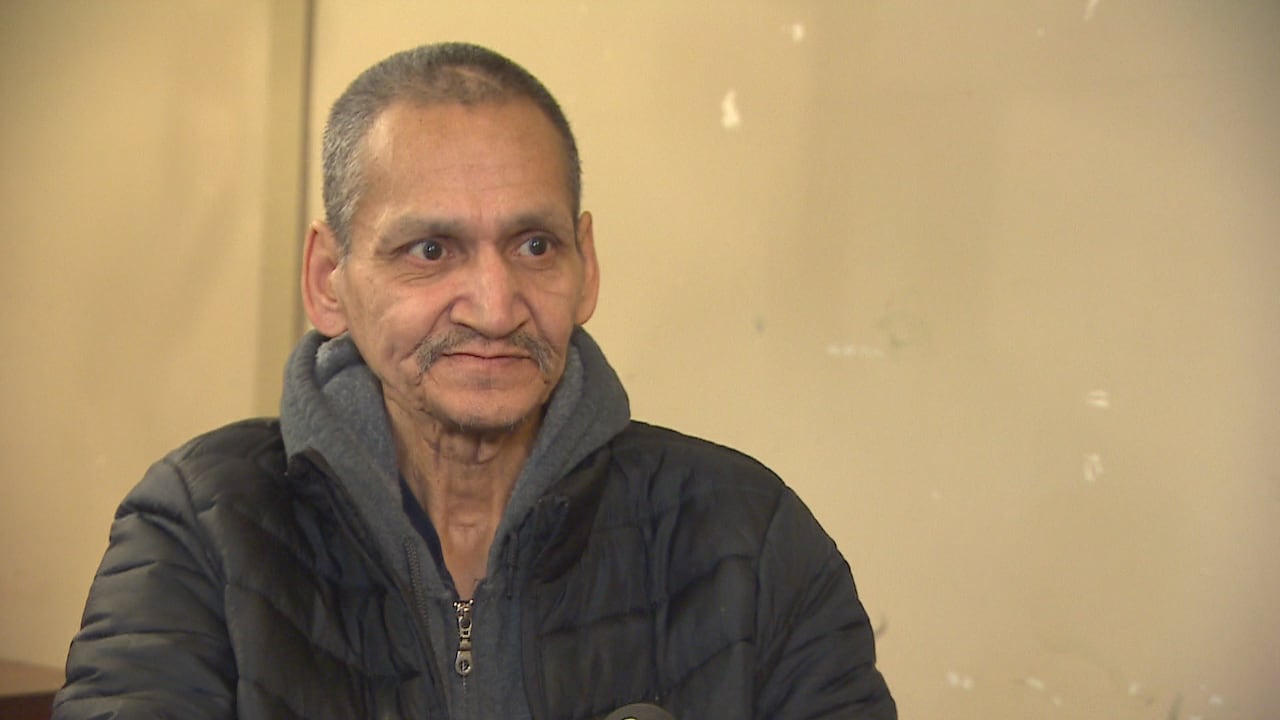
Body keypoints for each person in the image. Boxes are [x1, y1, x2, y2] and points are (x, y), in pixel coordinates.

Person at [54, 42, 896, 719]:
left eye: (534, 245)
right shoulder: (202, 528)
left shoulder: (748, 536)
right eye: (431, 250)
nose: (496, 307)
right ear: (327, 282)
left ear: (586, 265)